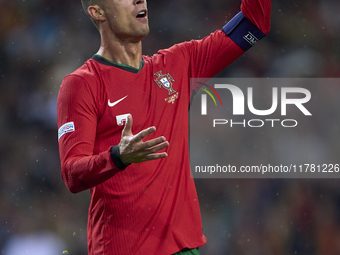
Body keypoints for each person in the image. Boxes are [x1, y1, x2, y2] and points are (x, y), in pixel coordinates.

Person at [57, 0, 271, 254]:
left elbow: (255, 23)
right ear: (97, 11)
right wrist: (117, 157)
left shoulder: (179, 64)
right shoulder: (82, 84)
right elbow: (72, 174)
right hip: (123, 248)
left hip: (184, 248)